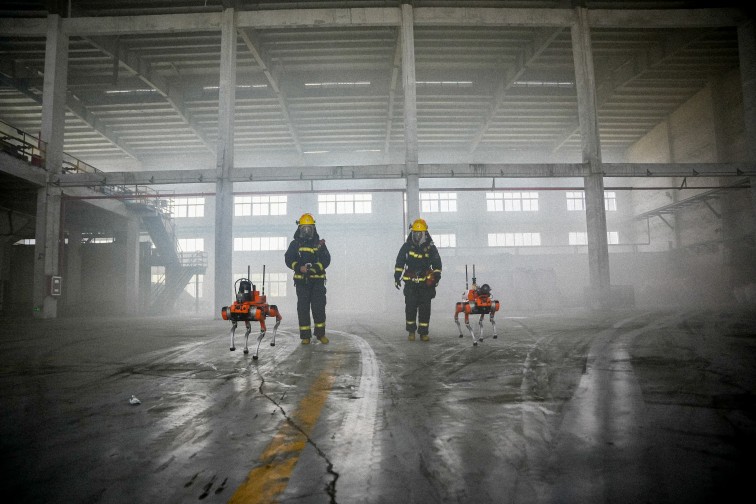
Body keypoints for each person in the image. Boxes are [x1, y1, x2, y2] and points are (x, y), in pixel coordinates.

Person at [285, 213, 331, 345]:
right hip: (302, 283)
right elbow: (288, 259)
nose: (306, 231)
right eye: (304, 228)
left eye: (309, 229)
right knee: (303, 309)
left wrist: (315, 268)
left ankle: (320, 334)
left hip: (317, 283)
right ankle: (305, 336)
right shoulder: (295, 244)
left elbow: (326, 259)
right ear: (299, 229)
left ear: (313, 229)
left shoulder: (320, 244)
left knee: (319, 308)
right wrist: (299, 267)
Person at [394, 218, 442, 342]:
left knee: (425, 310)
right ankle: (411, 332)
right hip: (411, 284)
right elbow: (400, 262)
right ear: (412, 233)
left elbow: (437, 264)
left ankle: (423, 333)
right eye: (415, 233)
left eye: (420, 233)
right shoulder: (406, 247)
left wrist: (436, 277)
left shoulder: (431, 248)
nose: (417, 235)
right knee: (410, 308)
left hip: (426, 285)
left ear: (425, 233)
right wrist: (397, 277)